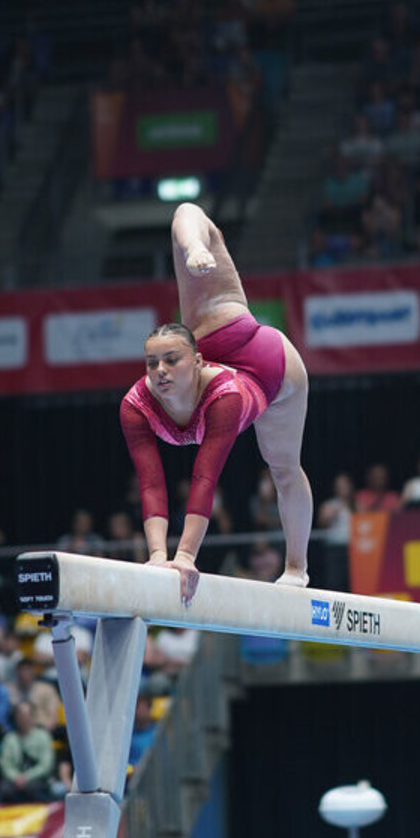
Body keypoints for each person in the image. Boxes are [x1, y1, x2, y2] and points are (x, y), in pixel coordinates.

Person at [119, 203, 312, 604]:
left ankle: (297, 567)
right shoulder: (136, 404)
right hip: (210, 360)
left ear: (197, 362)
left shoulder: (223, 396)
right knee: (190, 327)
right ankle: (194, 247)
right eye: (152, 364)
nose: (159, 371)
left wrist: (185, 557)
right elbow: (151, 483)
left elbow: (205, 478)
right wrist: (158, 557)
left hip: (268, 365)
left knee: (283, 468)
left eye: (170, 361)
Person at [0, 701, 56, 803]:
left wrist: (27, 777)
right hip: (15, 779)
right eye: (20, 715)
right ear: (16, 718)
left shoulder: (43, 736)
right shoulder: (9, 738)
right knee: (4, 789)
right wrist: (16, 777)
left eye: (26, 715)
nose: (23, 719)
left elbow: (45, 765)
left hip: (37, 778)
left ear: (33, 716)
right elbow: (5, 765)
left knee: (32, 788)